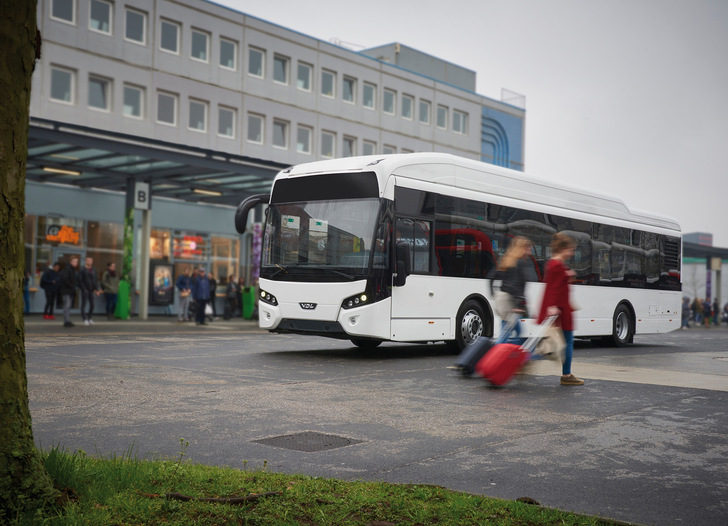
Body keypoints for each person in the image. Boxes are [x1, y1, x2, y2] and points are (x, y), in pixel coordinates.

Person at [537, 233, 584, 386]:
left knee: (554, 343)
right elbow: (554, 289)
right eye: (570, 250)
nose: (571, 253)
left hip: (560, 308)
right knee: (565, 342)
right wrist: (552, 307)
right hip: (561, 310)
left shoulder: (553, 264)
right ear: (562, 249)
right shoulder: (557, 266)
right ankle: (566, 374)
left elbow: (552, 287)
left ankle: (566, 373)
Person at [488, 236, 533, 344]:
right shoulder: (519, 263)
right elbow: (515, 284)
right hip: (510, 302)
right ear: (522, 248)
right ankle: (498, 356)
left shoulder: (506, 260)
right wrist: (518, 305)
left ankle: (513, 356)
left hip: (503, 300)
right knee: (508, 333)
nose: (530, 252)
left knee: (512, 330)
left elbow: (491, 277)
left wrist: (493, 294)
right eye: (528, 249)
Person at [79, 257, 101, 325]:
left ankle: (89, 318)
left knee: (92, 305)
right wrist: (84, 289)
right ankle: (84, 319)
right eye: (88, 260)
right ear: (85, 261)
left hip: (91, 290)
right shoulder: (82, 269)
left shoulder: (94, 269)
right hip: (85, 290)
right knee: (84, 304)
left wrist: (97, 290)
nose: (89, 262)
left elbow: (95, 280)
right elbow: (79, 280)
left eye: (90, 260)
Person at [59, 257, 80, 328]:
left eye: (76, 262)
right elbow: (66, 279)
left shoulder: (72, 269)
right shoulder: (68, 269)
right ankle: (66, 321)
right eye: (74, 261)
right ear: (70, 261)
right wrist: (72, 286)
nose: (75, 263)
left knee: (68, 306)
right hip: (66, 291)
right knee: (67, 306)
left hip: (69, 291)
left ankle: (67, 320)